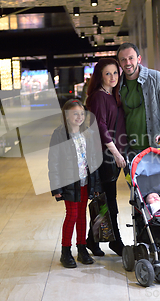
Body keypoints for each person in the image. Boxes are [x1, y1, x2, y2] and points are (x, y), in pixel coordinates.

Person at [49, 99, 102, 268]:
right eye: (74, 114)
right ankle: (66, 252)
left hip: (85, 181)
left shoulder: (87, 132)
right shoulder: (59, 134)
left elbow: (93, 159)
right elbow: (54, 161)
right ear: (66, 116)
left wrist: (96, 184)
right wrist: (56, 187)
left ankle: (82, 249)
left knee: (81, 216)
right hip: (69, 182)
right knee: (71, 215)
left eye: (81, 113)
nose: (79, 117)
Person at [85, 58, 128, 257]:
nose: (112, 77)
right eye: (107, 73)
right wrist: (116, 153)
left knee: (105, 199)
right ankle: (115, 241)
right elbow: (100, 127)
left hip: (113, 155)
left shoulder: (113, 95)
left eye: (115, 73)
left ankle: (92, 240)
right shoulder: (98, 97)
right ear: (100, 76)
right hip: (104, 155)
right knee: (108, 200)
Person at [116, 42, 160, 156]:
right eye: (123, 60)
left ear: (139, 59)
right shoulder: (117, 85)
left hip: (155, 147)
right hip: (129, 150)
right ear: (119, 63)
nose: (128, 63)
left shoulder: (155, 78)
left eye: (131, 58)